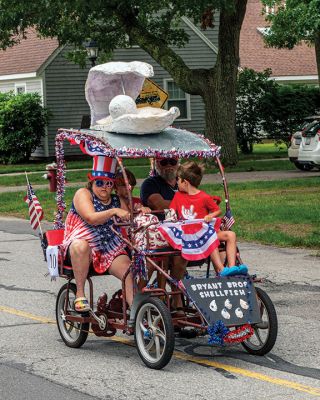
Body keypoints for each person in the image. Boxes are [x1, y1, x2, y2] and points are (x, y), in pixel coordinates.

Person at [62, 156, 134, 313]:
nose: (104, 187)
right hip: (83, 247)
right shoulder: (83, 193)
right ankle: (80, 294)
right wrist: (114, 211)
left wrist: (140, 213)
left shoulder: (116, 199)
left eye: (108, 183)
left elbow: (130, 219)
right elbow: (91, 218)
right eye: (99, 182)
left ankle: (137, 312)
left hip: (109, 249)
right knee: (80, 245)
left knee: (129, 269)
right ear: (92, 182)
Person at [160, 161, 248, 276]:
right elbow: (171, 212)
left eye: (178, 179)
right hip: (189, 235)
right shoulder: (178, 196)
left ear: (185, 182)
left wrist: (210, 216)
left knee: (230, 235)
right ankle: (221, 270)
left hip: (203, 232)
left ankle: (232, 268)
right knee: (210, 236)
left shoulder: (204, 197)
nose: (177, 182)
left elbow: (217, 210)